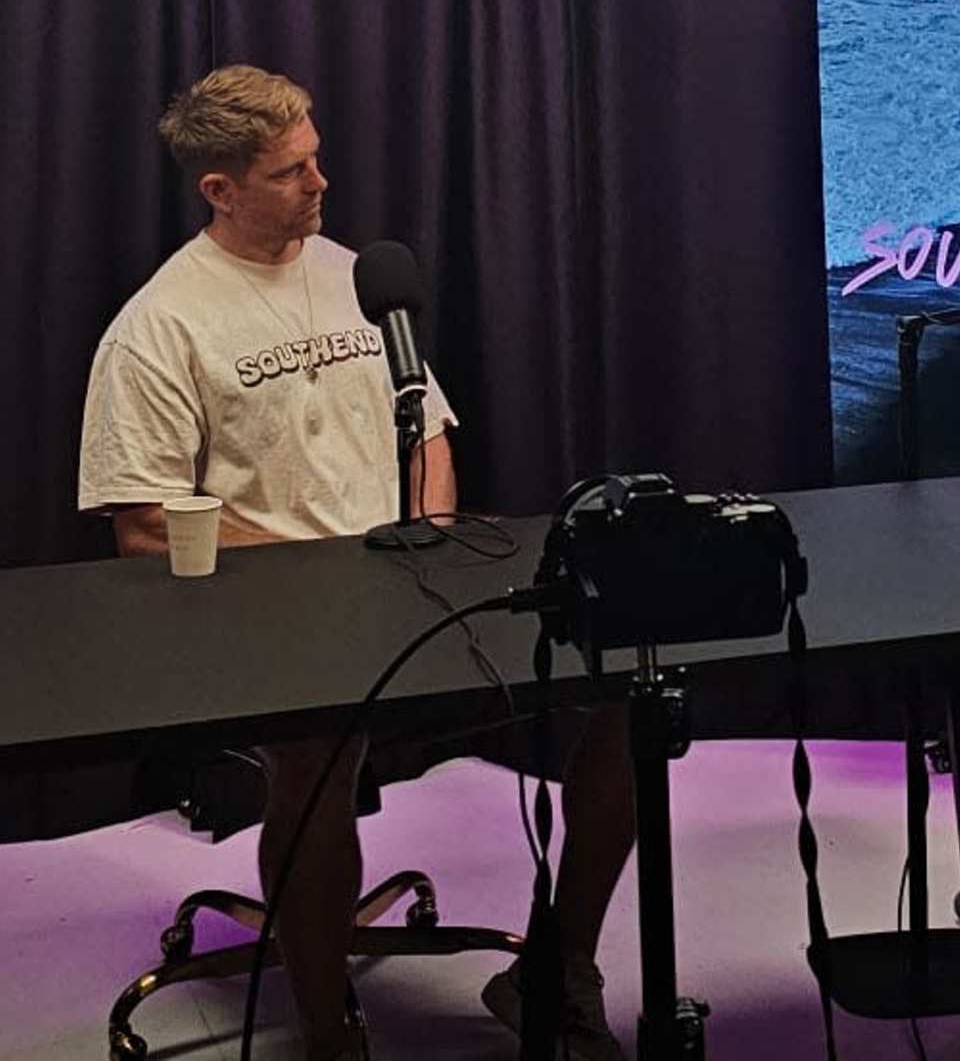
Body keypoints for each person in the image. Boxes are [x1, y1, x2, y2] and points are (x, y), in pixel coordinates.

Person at [78, 66, 638, 1061]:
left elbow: (427, 429)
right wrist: (330, 572)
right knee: (315, 750)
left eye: (317, 155)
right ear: (220, 188)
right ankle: (329, 1029)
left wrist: (422, 534)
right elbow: (146, 528)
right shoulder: (160, 327)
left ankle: (558, 971)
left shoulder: (353, 272)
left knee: (625, 688)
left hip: (412, 588)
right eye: (294, 170)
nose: (322, 181)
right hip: (267, 619)